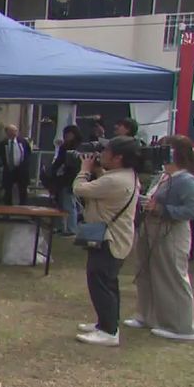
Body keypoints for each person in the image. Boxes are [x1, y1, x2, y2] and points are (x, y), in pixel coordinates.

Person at [73, 136, 141, 347]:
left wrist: (84, 169)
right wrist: (98, 170)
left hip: (109, 239)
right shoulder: (126, 175)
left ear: (118, 157)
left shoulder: (114, 180)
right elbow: (103, 185)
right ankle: (106, 323)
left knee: (100, 281)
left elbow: (80, 189)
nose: (102, 155)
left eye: (106, 152)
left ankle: (108, 331)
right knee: (108, 282)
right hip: (117, 237)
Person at [127, 136, 194, 341]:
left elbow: (192, 209)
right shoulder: (165, 176)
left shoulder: (187, 180)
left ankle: (180, 325)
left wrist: (163, 209)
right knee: (146, 271)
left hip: (171, 230)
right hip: (151, 227)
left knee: (171, 274)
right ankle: (147, 315)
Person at [49, 125, 83, 236]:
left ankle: (71, 229)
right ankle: (61, 227)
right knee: (62, 203)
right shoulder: (64, 147)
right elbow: (58, 161)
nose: (67, 136)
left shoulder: (78, 147)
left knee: (69, 204)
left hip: (71, 179)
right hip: (62, 179)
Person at [0, 124, 33, 206]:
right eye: (12, 131)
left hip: (21, 169)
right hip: (9, 168)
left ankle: (23, 206)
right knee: (8, 189)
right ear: (7, 132)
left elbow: (28, 153)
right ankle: (7, 206)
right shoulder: (3, 143)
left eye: (16, 131)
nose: (14, 133)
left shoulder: (23, 142)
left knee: (23, 189)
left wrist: (25, 164)